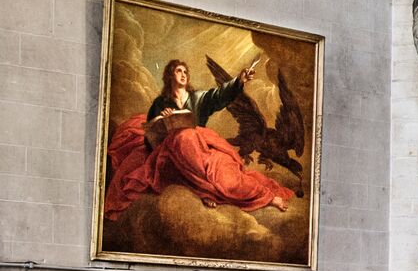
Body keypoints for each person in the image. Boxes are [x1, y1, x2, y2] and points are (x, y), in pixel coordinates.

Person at [103, 58, 293, 217]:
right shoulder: (161, 103)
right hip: (174, 155)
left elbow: (219, 95)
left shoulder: (198, 98)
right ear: (170, 75)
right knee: (182, 139)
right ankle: (206, 190)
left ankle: (262, 195)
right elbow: (149, 141)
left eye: (186, 71)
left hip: (203, 148)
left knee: (228, 178)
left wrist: (240, 81)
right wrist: (161, 119)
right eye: (179, 71)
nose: (184, 74)